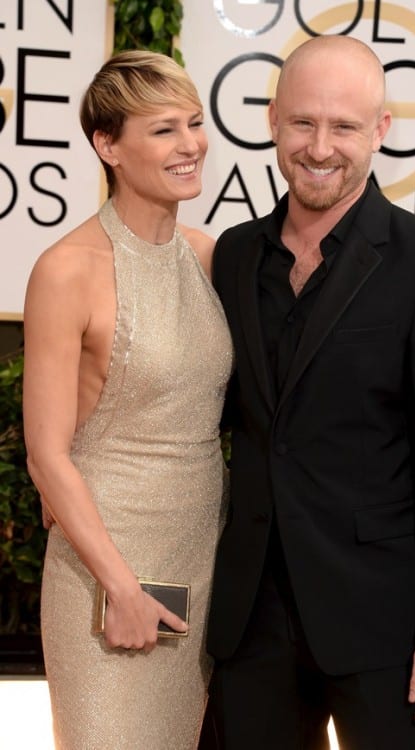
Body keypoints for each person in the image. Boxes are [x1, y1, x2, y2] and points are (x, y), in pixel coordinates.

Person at [205, 35, 415, 750]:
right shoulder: (236, 254)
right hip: (252, 624)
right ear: (273, 120)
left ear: (381, 131)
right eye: (303, 122)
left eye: (344, 126)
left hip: (384, 628)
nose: (320, 147)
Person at [23, 50, 233, 749]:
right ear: (107, 145)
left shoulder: (210, 259)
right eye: (164, 129)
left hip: (200, 558)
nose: (191, 144)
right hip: (104, 566)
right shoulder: (66, 270)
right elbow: (48, 454)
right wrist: (120, 586)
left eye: (195, 123)